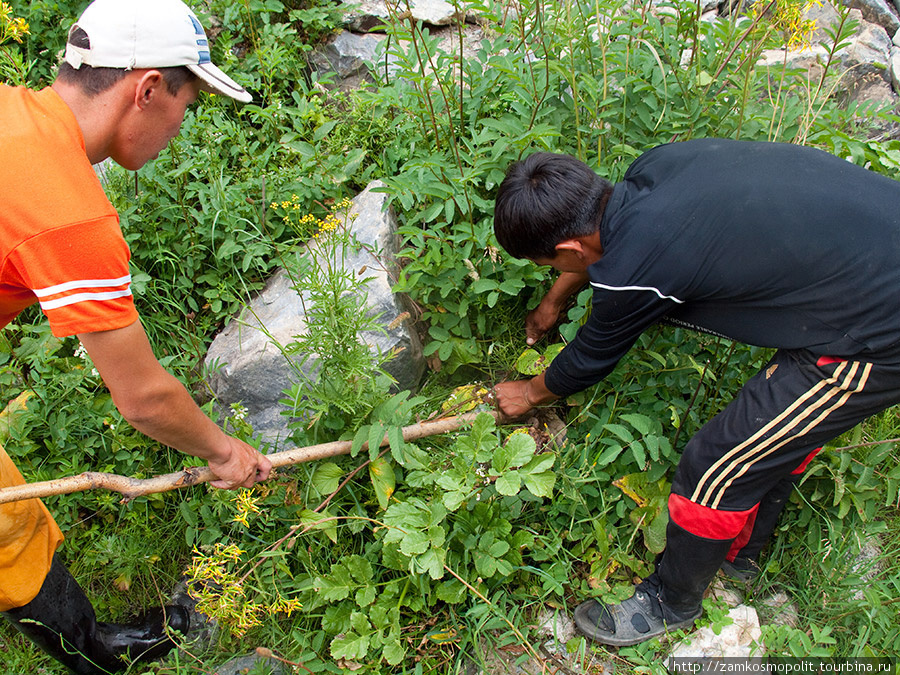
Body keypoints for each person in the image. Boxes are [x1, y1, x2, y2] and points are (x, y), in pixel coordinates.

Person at [491, 138, 900, 647]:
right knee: (776, 433)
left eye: (547, 266)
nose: (554, 274)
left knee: (715, 466)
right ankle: (741, 555)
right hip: (874, 250)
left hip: (878, 333)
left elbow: (590, 358)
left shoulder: (637, 268)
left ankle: (672, 600)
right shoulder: (656, 164)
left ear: (571, 250)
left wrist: (529, 393)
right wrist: (556, 298)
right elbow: (610, 258)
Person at [0, 0, 272, 672]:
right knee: (8, 528)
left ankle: (92, 643)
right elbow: (144, 397)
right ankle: (94, 657)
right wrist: (223, 451)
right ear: (147, 89)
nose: (182, 124)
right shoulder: (67, 210)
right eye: (189, 102)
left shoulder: (13, 112)